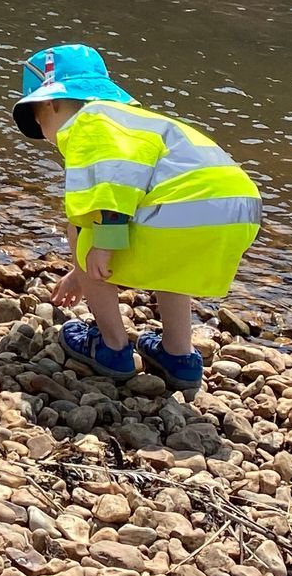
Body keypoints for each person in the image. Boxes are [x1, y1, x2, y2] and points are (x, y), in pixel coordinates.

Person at [15, 43, 261, 397]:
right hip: (237, 213)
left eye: (37, 120)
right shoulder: (136, 122)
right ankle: (179, 355)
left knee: (80, 226)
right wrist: (80, 273)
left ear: (51, 103)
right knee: (172, 261)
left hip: (184, 210)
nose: (43, 133)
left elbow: (117, 181)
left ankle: (112, 346)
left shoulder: (90, 122)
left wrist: (102, 245)